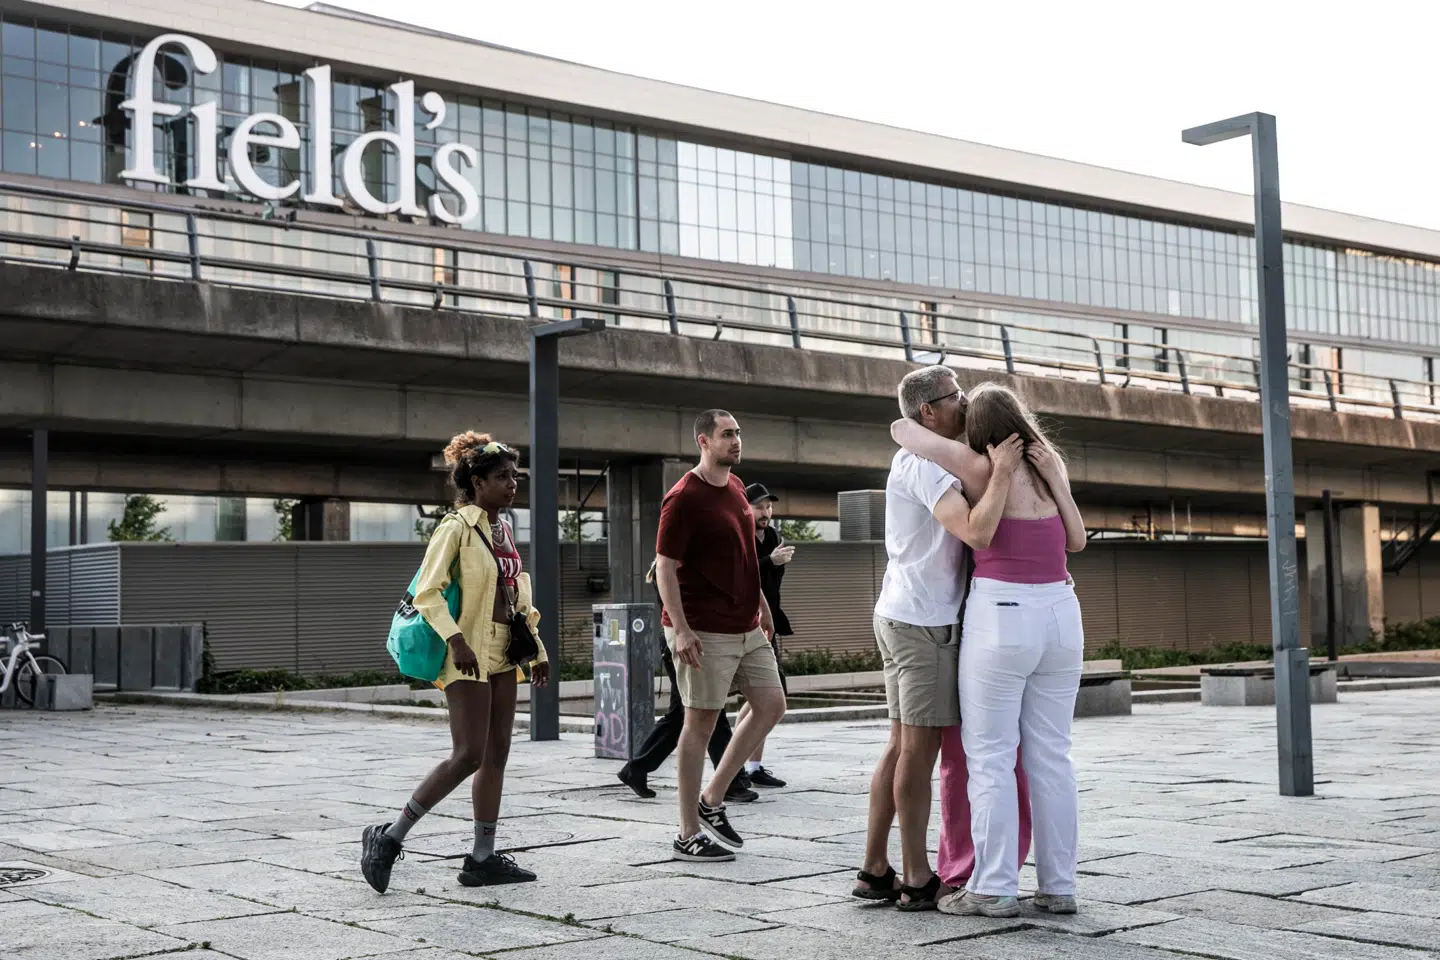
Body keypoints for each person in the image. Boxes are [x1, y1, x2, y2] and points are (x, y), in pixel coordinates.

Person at [893, 382, 1087, 918]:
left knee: (991, 756)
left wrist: (911, 422)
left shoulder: (977, 468)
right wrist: (1056, 479)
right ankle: (1059, 886)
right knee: (1052, 756)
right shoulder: (1050, 465)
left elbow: (907, 433)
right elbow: (1076, 542)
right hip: (1062, 614)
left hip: (1001, 614)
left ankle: (994, 887)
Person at [856, 366, 1023, 911]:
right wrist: (1003, 473)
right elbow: (976, 531)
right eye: (956, 396)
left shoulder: (921, 453)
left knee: (900, 745)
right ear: (929, 411)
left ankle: (875, 868)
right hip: (923, 624)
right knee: (917, 751)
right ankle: (916, 876)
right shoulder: (925, 465)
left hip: (902, 612)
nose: (966, 402)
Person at [361, 432, 551, 893]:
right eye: (502, 477)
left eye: (515, 476)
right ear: (477, 482)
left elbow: (516, 595)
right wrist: (456, 640)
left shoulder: (504, 530)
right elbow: (427, 592)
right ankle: (389, 836)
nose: (512, 484)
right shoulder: (456, 528)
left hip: (503, 650)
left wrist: (538, 650)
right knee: (468, 754)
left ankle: (482, 858)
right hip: (465, 651)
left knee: (497, 754)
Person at [657, 409, 787, 862]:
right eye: (727, 434)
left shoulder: (735, 487)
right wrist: (681, 630)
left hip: (745, 623)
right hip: (703, 628)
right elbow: (665, 568)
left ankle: (712, 799)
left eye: (738, 433)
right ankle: (687, 833)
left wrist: (763, 606)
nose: (736, 441)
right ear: (704, 441)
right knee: (700, 724)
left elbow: (745, 555)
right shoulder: (683, 498)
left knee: (771, 704)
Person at [616, 560, 759, 805]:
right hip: (686, 643)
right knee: (711, 710)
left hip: (692, 641)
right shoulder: (671, 564)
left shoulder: (680, 562)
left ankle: (636, 768)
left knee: (681, 715)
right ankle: (731, 782)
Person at [731, 482, 792, 790]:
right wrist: (771, 561)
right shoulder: (739, 535)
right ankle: (738, 764)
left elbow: (770, 584)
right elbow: (738, 572)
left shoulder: (772, 537)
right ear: (746, 509)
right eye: (759, 507)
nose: (766, 512)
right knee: (766, 698)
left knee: (769, 697)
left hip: (766, 625)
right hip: (742, 622)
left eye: (769, 507)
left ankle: (752, 766)